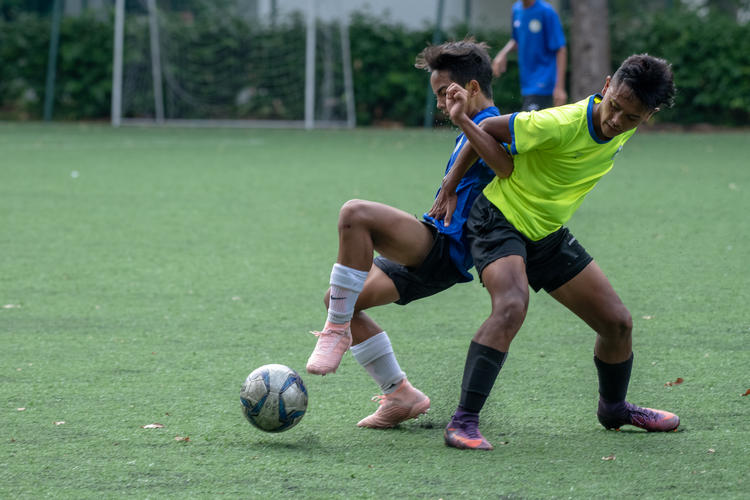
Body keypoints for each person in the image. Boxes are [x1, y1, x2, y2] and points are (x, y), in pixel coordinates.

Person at [434, 54, 679, 450]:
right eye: (614, 106)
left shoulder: (625, 122)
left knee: (617, 324)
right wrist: (449, 184)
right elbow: (486, 128)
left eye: (631, 117)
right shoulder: (558, 123)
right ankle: (462, 421)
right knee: (511, 305)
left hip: (545, 232)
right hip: (498, 219)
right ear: (605, 88)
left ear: (647, 115)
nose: (616, 120)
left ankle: (614, 409)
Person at [305, 39, 514, 429]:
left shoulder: (495, 124)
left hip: (444, 248)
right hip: (434, 250)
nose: (439, 103)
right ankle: (400, 393)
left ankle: (334, 334)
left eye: (442, 93)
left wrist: (462, 130)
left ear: (470, 88)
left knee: (355, 214)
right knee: (340, 299)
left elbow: (505, 166)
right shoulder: (470, 126)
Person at [492, 0, 567, 110]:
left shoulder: (546, 12)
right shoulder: (516, 9)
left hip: (544, 83)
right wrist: (502, 54)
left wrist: (560, 88)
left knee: (528, 124)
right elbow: (516, 39)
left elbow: (560, 49)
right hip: (527, 84)